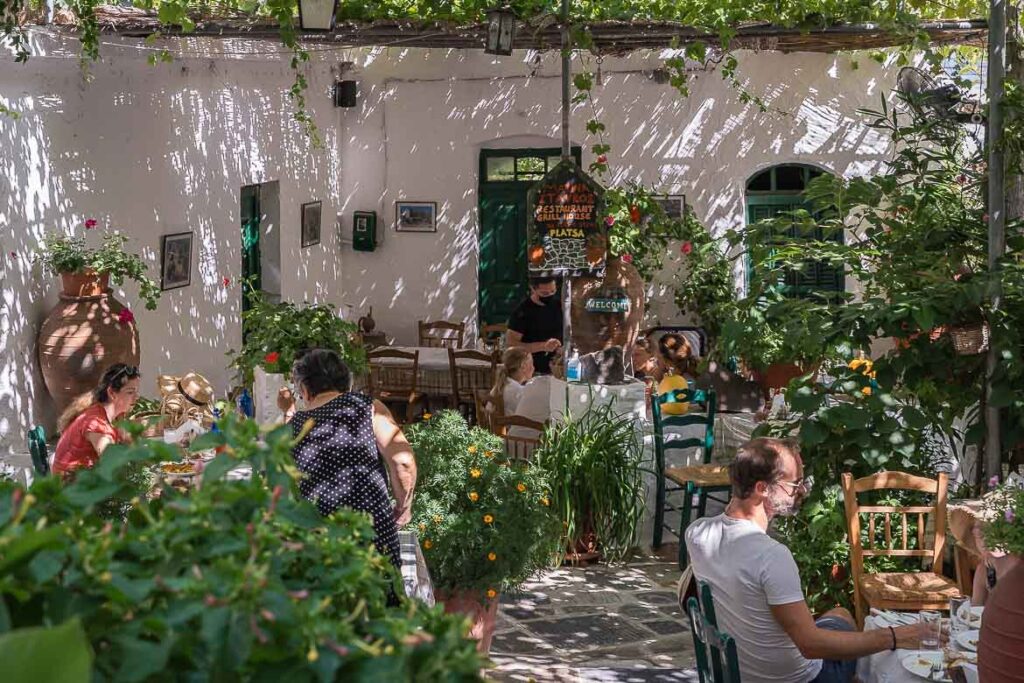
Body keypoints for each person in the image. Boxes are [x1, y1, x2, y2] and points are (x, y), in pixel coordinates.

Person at [685, 437, 930, 683]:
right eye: (795, 484)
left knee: (839, 614)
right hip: (800, 680)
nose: (801, 490)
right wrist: (894, 636)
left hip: (736, 672)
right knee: (849, 623)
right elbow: (811, 645)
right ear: (762, 488)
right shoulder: (771, 556)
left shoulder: (697, 533)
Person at [278, 348, 416, 570]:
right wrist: (403, 506)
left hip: (319, 544)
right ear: (346, 382)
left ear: (304, 390)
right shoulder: (367, 407)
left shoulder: (292, 429)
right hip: (371, 532)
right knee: (381, 599)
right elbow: (402, 461)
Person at [53, 363, 141, 477]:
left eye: (136, 391)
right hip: (71, 488)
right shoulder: (96, 422)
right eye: (130, 392)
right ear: (112, 393)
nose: (136, 397)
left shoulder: (114, 415)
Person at [507, 276, 562, 375]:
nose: (549, 295)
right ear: (533, 289)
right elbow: (511, 344)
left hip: (558, 368)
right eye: (544, 293)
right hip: (532, 371)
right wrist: (543, 346)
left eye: (553, 291)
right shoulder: (522, 312)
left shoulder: (559, 305)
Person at [489, 346, 534, 415]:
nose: (533, 368)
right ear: (523, 366)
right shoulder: (518, 391)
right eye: (531, 363)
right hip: (509, 425)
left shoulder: (500, 386)